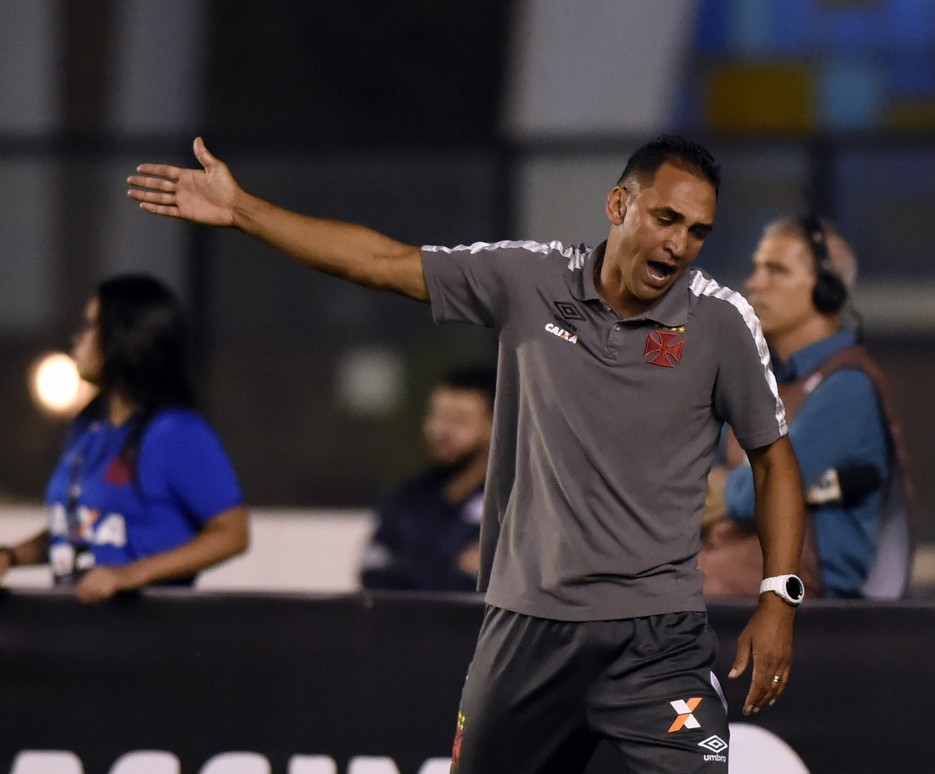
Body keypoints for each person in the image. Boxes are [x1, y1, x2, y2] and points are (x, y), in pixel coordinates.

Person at [127, 134, 806, 773]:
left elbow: (774, 460)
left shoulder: (720, 321)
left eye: (697, 231)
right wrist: (244, 210)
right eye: (666, 219)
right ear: (618, 205)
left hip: (659, 640)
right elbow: (381, 263)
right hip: (526, 628)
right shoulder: (527, 278)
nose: (680, 244)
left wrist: (777, 597)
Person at [0, 274, 250, 604]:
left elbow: (232, 532)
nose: (79, 339)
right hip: (78, 630)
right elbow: (82, 531)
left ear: (125, 337)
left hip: (142, 638)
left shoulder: (174, 432)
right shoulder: (88, 428)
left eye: (91, 325)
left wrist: (132, 575)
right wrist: (12, 556)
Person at [701, 215, 912, 600]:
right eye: (757, 268)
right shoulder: (759, 382)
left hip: (813, 612)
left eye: (776, 270)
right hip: (734, 584)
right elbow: (694, 479)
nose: (755, 283)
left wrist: (725, 494)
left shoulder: (848, 385)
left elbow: (765, 487)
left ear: (825, 290)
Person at [360, 365, 495, 592]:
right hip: (404, 626)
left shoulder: (512, 506)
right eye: (437, 416)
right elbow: (373, 576)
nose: (442, 430)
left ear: (494, 427)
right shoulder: (408, 497)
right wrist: (453, 570)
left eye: (460, 420)